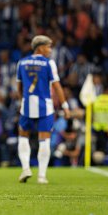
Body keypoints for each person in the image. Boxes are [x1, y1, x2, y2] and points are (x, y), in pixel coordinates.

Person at [16, 35, 70, 184]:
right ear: (40, 47)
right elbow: (57, 85)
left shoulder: (22, 62)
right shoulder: (49, 63)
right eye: (48, 46)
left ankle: (26, 168)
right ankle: (41, 175)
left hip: (26, 106)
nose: (50, 50)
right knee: (44, 139)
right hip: (45, 106)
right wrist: (65, 106)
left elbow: (19, 87)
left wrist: (22, 101)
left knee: (23, 136)